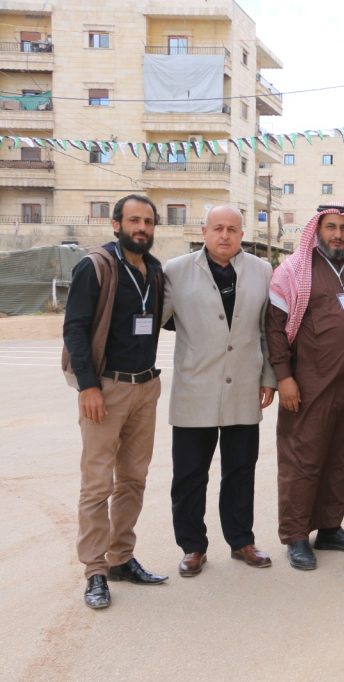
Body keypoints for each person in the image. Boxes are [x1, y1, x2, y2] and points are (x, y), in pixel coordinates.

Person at [62, 194, 167, 609]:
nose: (141, 228)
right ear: (116, 224)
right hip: (105, 389)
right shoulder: (96, 266)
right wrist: (88, 387)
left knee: (133, 480)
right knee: (97, 484)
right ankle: (95, 570)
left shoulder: (154, 270)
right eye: (134, 220)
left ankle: (121, 557)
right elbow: (75, 328)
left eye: (148, 222)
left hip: (146, 387)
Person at [162, 206, 276, 577]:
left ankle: (241, 541)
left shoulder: (261, 270)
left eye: (232, 229)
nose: (224, 235)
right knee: (189, 474)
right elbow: (155, 319)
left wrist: (269, 376)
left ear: (242, 233)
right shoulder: (176, 270)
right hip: (194, 387)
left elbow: (267, 329)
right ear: (204, 231)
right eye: (217, 228)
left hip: (244, 385)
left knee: (240, 470)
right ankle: (192, 546)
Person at [266, 205, 344, 571]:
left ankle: (330, 528)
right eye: (331, 227)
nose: (338, 235)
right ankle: (296, 536)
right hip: (310, 386)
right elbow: (274, 328)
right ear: (318, 229)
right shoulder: (295, 270)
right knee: (304, 461)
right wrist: (284, 377)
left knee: (343, 457)